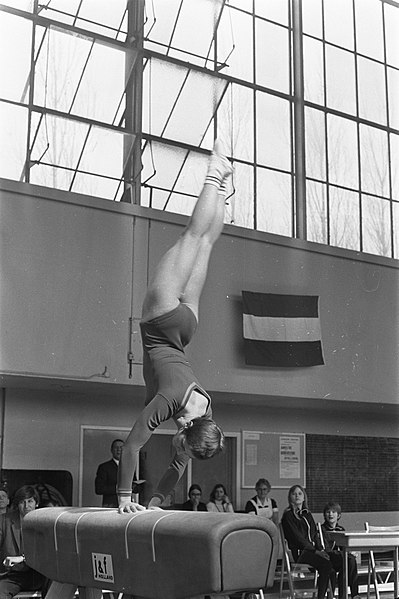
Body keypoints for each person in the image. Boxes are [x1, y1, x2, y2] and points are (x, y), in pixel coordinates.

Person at [117, 140, 233, 514]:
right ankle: (215, 172)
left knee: (207, 245)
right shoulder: (168, 402)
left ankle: (224, 192)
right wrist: (124, 499)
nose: (178, 450)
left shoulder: (206, 417)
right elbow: (133, 444)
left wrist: (153, 502)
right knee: (192, 237)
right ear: (185, 430)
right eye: (181, 442)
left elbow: (177, 467)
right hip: (161, 319)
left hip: (187, 328)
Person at [281, 485, 333, 599]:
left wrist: (321, 549)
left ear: (304, 497)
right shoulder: (288, 516)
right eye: (294, 494)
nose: (297, 496)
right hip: (301, 553)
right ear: (290, 497)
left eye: (300, 493)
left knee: (339, 560)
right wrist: (315, 551)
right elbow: (297, 538)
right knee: (327, 565)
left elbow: (315, 534)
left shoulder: (307, 514)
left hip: (314, 551)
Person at [0, 485, 47, 599]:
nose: (26, 506)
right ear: (17, 504)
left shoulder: (46, 522)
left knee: (59, 585)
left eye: (30, 501)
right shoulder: (3, 521)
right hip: (12, 576)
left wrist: (23, 558)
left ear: (36, 503)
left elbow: (48, 554)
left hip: (39, 575)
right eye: (22, 502)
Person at [321, 502, 361, 599]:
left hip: (339, 559)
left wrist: (350, 552)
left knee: (348, 562)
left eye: (333, 512)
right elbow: (325, 549)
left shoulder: (341, 529)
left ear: (338, 515)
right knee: (349, 560)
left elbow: (344, 547)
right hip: (327, 558)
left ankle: (345, 596)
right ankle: (354, 594)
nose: (330, 514)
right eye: (328, 512)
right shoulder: (321, 529)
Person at [95, 438, 124, 507]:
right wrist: (118, 488)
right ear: (111, 450)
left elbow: (135, 487)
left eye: (121, 448)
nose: (119, 450)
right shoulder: (104, 467)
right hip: (110, 506)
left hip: (126, 506)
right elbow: (99, 489)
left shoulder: (129, 467)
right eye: (116, 447)